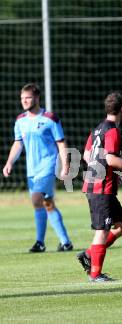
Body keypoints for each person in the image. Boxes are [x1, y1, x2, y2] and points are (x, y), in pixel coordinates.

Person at [77, 92, 122, 282]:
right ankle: (95, 273)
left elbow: (86, 155)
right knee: (102, 231)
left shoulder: (97, 129)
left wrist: (110, 174)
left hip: (99, 184)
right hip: (100, 188)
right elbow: (110, 159)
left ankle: (89, 254)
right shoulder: (112, 131)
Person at [3, 83, 73, 253]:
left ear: (36, 98)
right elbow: (18, 143)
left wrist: (65, 165)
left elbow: (61, 143)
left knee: (36, 199)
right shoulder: (20, 120)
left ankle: (40, 242)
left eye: (27, 98)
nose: (24, 101)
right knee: (47, 204)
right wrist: (9, 162)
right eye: (22, 98)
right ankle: (65, 242)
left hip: (48, 166)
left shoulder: (50, 118)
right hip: (32, 170)